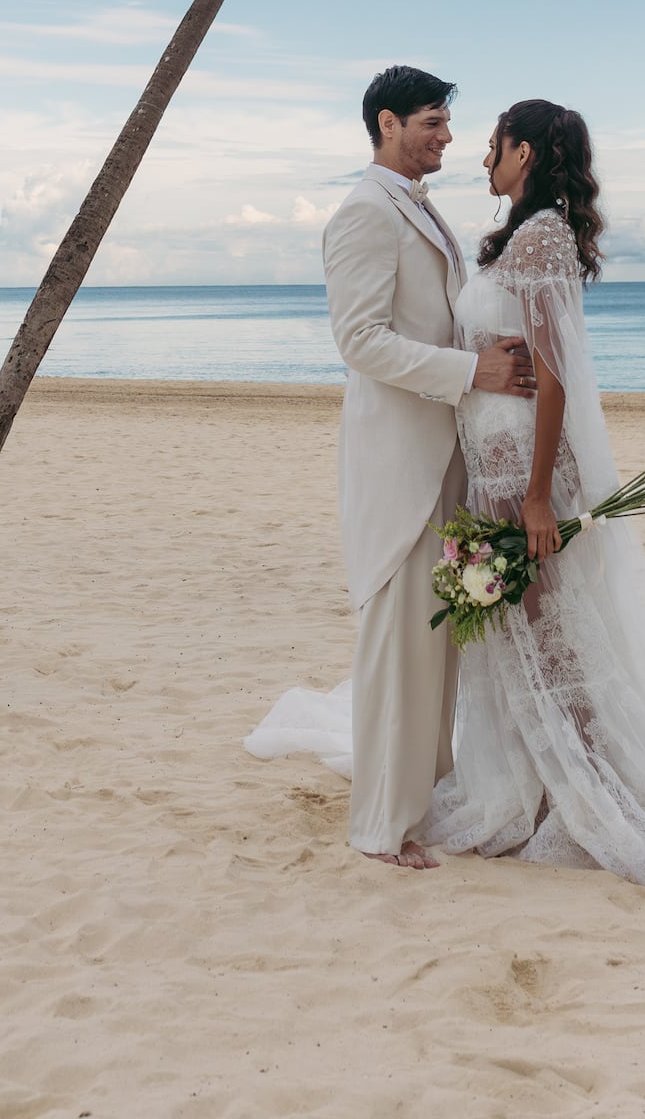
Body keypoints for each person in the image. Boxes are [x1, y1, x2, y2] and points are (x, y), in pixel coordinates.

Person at [416, 99, 645, 883]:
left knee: (548, 632)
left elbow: (558, 378)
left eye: (493, 147)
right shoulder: (525, 235)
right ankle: (550, 777)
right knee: (530, 629)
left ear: (527, 153)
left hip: (521, 468)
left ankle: (587, 786)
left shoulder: (540, 237)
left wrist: (537, 497)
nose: (483, 161)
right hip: (492, 458)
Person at [246, 67, 535, 869]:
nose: (446, 137)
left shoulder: (420, 208)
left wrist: (480, 356)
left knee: (435, 639)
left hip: (443, 452)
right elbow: (360, 341)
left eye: (448, 125)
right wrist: (469, 373)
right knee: (397, 644)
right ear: (387, 123)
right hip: (397, 459)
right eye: (433, 122)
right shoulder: (365, 212)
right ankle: (379, 826)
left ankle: (421, 797)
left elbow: (430, 321)